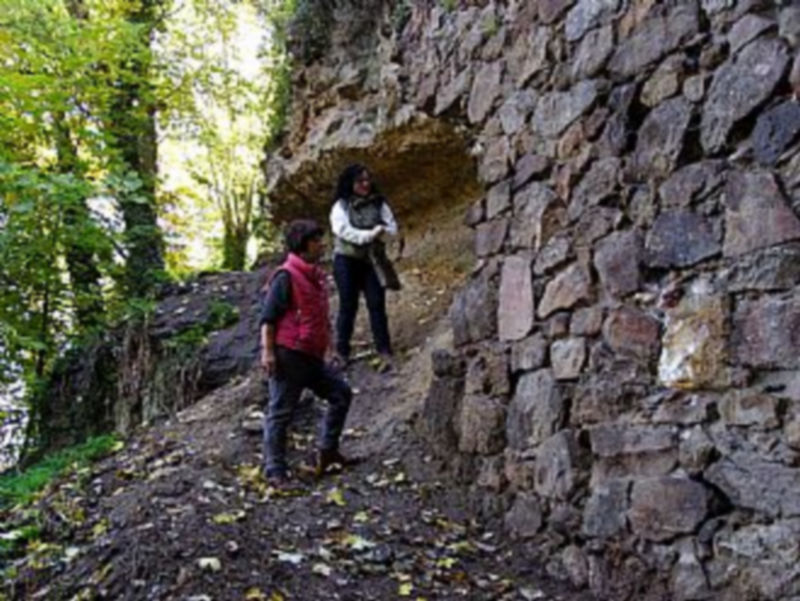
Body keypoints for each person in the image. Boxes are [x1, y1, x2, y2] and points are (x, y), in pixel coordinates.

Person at [259, 219, 352, 488]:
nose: (322, 245)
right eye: (316, 241)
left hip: (311, 355)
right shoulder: (285, 276)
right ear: (303, 245)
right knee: (280, 412)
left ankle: (328, 451)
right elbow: (268, 318)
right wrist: (268, 353)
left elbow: (321, 318)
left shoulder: (315, 277)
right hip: (288, 354)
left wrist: (330, 349)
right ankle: (275, 471)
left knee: (340, 393)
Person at [329, 164, 399, 369]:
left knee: (377, 303)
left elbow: (392, 226)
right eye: (360, 181)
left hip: (371, 260)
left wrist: (382, 231)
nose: (365, 184)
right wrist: (369, 235)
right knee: (348, 305)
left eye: (368, 180)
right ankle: (342, 352)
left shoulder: (379, 203)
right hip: (346, 260)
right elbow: (342, 230)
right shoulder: (341, 206)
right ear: (350, 183)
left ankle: (384, 350)